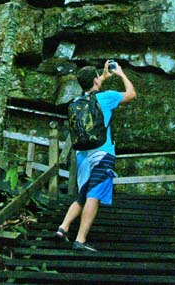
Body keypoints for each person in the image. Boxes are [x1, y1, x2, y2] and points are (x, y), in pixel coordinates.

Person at [54, 60, 136, 252]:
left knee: (83, 194)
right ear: (95, 80)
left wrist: (102, 79)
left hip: (83, 154)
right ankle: (80, 240)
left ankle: (63, 227)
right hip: (102, 152)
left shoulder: (75, 102)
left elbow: (92, 96)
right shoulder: (106, 98)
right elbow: (131, 94)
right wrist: (121, 74)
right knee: (94, 195)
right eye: (98, 76)